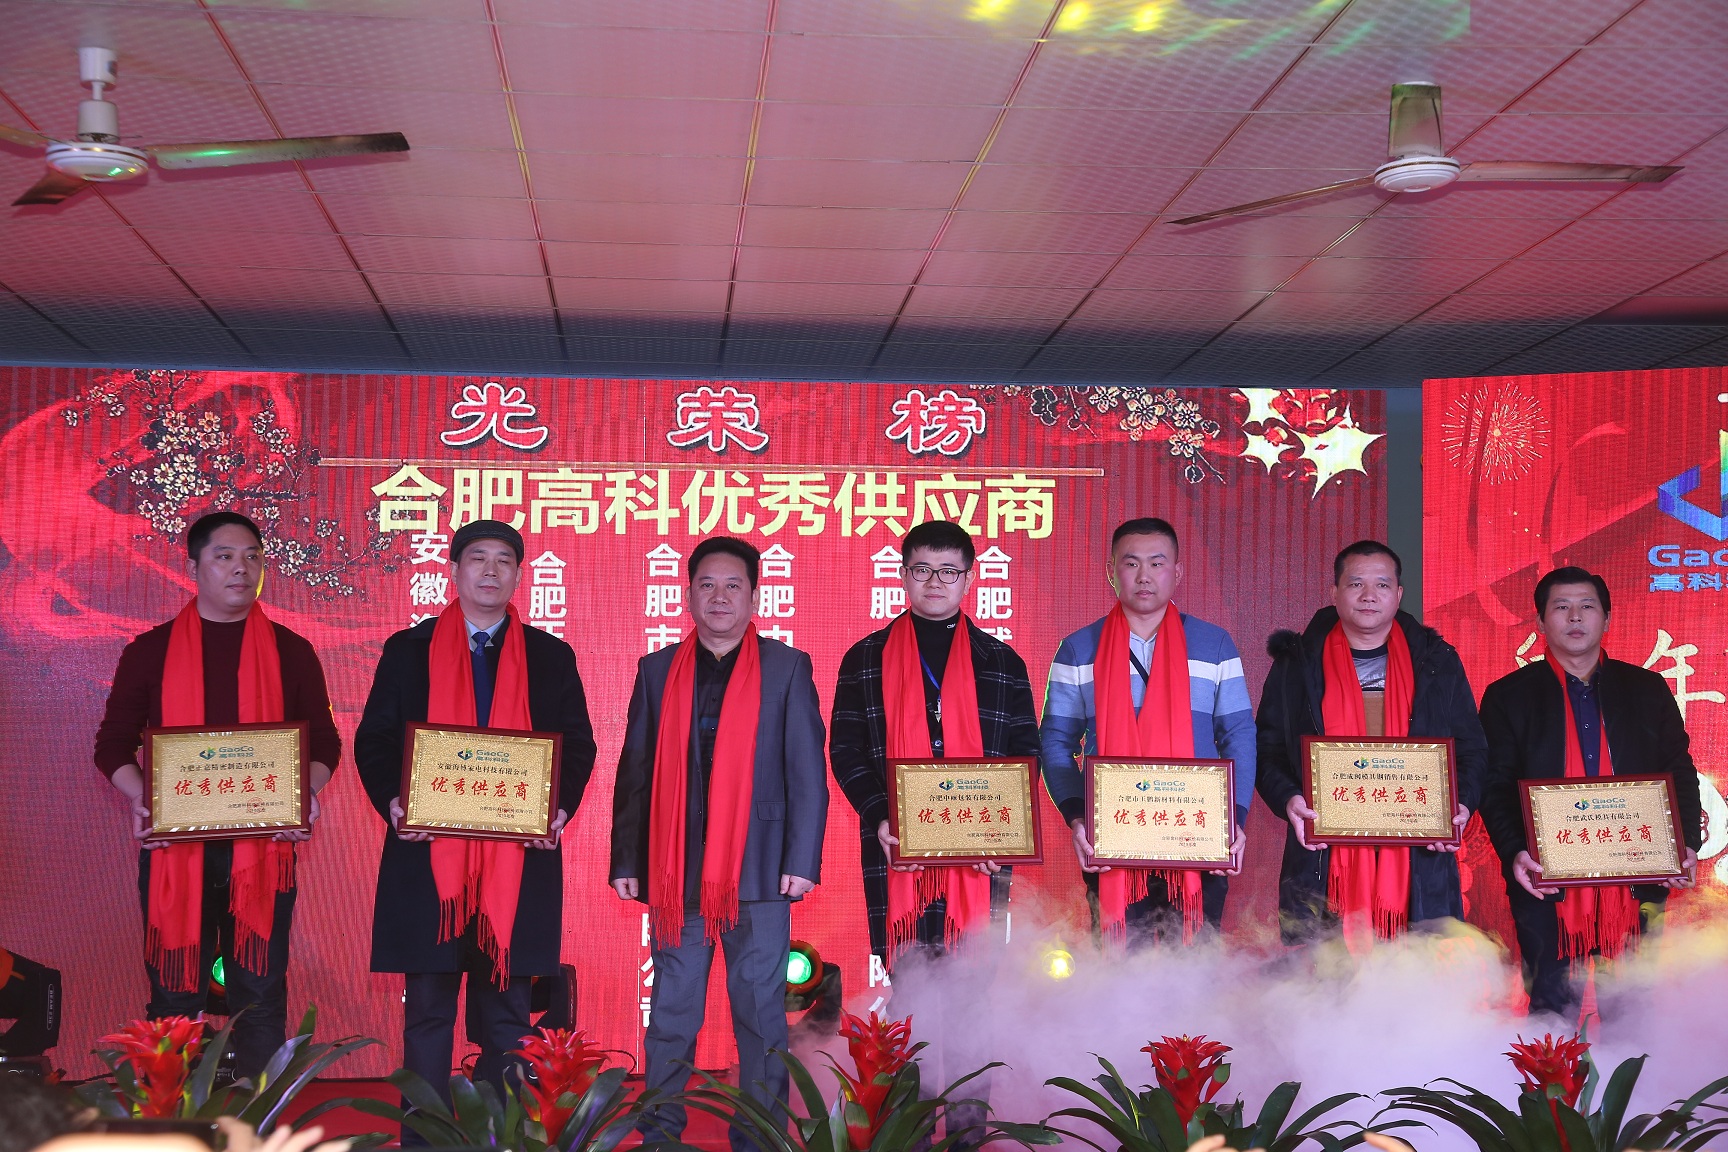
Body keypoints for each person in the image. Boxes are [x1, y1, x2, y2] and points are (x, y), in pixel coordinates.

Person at [354, 519, 596, 1123]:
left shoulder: (550, 656)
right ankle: (426, 1137)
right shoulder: (407, 650)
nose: (491, 571)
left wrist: (557, 808)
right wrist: (394, 803)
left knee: (509, 1017)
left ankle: (504, 1135)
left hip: (517, 862)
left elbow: (578, 745)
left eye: (504, 561)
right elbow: (375, 740)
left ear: (518, 575)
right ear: (455, 570)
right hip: (427, 858)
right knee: (428, 1012)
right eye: (478, 559)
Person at [94, 511, 341, 1078]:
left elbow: (324, 743)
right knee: (174, 998)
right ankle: (173, 1116)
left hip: (263, 851)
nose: (241, 568)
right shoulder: (150, 651)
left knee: (260, 994)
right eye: (224, 556)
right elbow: (112, 745)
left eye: (253, 557)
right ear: (194, 567)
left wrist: (306, 791)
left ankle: (257, 1116)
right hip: (176, 851)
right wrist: (142, 799)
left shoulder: (292, 651)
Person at [609, 536, 828, 1152]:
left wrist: (801, 859)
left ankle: (759, 1136)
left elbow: (806, 769)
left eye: (734, 585)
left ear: (755, 597)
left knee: (759, 1017)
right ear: (688, 594)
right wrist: (628, 858)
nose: (720, 597)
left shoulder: (788, 667)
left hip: (760, 869)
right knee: (672, 1014)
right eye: (707, 584)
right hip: (675, 869)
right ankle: (660, 1135)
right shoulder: (657, 671)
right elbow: (636, 769)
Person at [1478, 566, 1701, 1017]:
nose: (1575, 617)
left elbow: (1678, 771)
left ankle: (1632, 1070)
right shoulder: (1508, 695)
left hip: (1637, 874)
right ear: (1540, 622)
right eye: (1561, 607)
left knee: (1633, 1009)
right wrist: (1515, 850)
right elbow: (1494, 783)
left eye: (1587, 606)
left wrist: (1685, 844)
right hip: (1545, 879)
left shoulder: (1647, 689)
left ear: (1607, 618)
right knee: (1550, 1009)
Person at [1256, 540, 1485, 949]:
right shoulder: (1297, 664)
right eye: (1356, 583)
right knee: (1323, 975)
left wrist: (1461, 804)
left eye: (1382, 584)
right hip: (1323, 859)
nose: (1368, 595)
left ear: (1398, 594)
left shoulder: (1437, 661)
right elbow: (1268, 749)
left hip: (1419, 859)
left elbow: (1471, 749)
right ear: (1335, 592)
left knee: (1417, 972)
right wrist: (1290, 799)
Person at [1041, 517, 1253, 944]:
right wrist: (1078, 817)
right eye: (1131, 563)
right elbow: (1056, 742)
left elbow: (1239, 735)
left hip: (1198, 832)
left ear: (1177, 572)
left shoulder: (1214, 644)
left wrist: (1234, 818)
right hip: (1112, 836)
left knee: (1194, 962)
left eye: (1157, 563)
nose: (1144, 576)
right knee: (1121, 963)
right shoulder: (1079, 648)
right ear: (1111, 571)